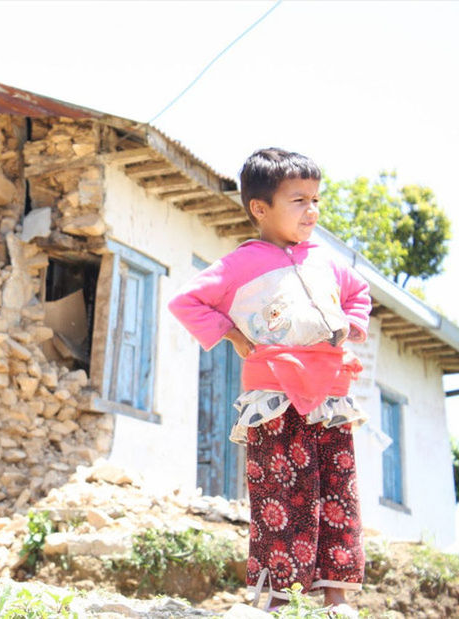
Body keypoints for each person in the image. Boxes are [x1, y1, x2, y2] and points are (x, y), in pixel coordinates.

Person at [168, 147, 371, 616]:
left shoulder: (328, 261)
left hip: (330, 393)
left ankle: (337, 596)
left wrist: (351, 326)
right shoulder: (242, 263)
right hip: (274, 395)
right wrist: (233, 335)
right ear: (260, 208)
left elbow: (359, 295)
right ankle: (281, 597)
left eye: (316, 199)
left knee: (337, 490)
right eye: (299, 200)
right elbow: (187, 301)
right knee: (281, 490)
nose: (312, 210)